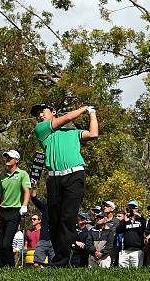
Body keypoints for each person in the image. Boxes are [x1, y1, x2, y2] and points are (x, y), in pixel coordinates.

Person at [31, 103, 98, 266]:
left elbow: (94, 133)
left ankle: (61, 261)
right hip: (54, 179)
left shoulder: (73, 133)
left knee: (68, 218)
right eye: (38, 114)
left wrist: (92, 113)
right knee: (54, 221)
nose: (40, 115)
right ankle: (60, 258)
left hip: (75, 175)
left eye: (43, 112)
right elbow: (67, 117)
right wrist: (84, 108)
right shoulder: (42, 130)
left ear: (53, 112)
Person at [0, 149, 31, 267]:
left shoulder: (22, 174)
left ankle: (11, 266)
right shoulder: (2, 177)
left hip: (15, 211)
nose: (7, 159)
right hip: (2, 212)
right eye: (6, 157)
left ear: (17, 160)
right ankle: (5, 266)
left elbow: (26, 191)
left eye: (10, 157)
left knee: (6, 243)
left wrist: (24, 206)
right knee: (0, 243)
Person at [30, 180, 54, 267]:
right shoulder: (45, 208)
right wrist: (34, 186)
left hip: (54, 241)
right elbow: (33, 198)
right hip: (43, 240)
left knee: (55, 266)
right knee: (36, 264)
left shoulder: (60, 209)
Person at [116, 200, 146, 268]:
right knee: (122, 271)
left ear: (137, 208)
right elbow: (118, 230)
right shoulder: (126, 219)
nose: (131, 209)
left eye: (133, 207)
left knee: (136, 271)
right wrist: (124, 221)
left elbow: (145, 228)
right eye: (129, 207)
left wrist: (140, 217)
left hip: (137, 250)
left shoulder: (141, 219)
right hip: (125, 250)